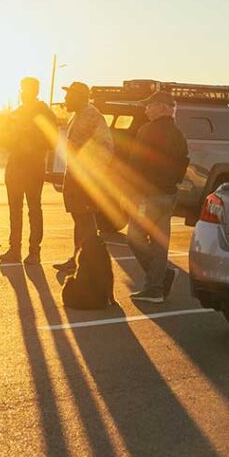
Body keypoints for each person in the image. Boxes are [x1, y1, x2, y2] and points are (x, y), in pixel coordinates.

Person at [127, 91, 188, 303]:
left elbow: (137, 162)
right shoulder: (178, 134)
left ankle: (157, 281)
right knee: (160, 242)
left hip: (148, 195)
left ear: (162, 107)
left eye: (149, 105)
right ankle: (156, 286)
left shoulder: (147, 131)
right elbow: (183, 162)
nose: (146, 109)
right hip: (169, 195)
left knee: (134, 237)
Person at [52, 82, 113, 274]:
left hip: (85, 178)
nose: (65, 99)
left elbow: (93, 149)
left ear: (79, 96)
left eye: (69, 96)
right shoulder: (79, 115)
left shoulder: (90, 116)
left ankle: (89, 262)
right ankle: (78, 258)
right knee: (80, 219)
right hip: (77, 176)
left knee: (85, 220)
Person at [0, 77, 57, 265]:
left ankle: (34, 251)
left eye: (26, 89)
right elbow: (3, 138)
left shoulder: (45, 114)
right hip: (15, 165)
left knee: (34, 208)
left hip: (33, 166)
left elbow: (51, 141)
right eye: (21, 89)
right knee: (14, 210)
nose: (22, 93)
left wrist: (28, 137)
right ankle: (14, 248)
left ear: (35, 91)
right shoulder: (16, 113)